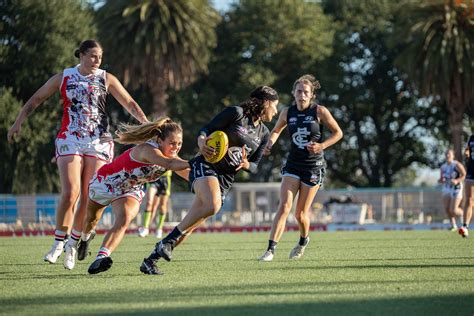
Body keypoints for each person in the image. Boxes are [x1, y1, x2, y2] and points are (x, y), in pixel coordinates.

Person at [7, 39, 148, 269]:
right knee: (70, 192)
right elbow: (36, 99)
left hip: (98, 141)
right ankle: (58, 243)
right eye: (92, 56)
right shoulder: (64, 76)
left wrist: (147, 125)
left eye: (100, 57)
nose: (97, 61)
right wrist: (18, 122)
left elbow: (129, 103)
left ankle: (73, 244)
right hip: (70, 137)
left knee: (87, 193)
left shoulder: (106, 78)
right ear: (81, 55)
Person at [140, 85, 279, 275]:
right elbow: (206, 129)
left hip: (225, 179)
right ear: (266, 103)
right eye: (275, 106)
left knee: (188, 227)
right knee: (213, 205)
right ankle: (165, 243)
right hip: (205, 165)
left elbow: (255, 166)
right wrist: (201, 142)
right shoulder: (236, 113)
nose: (276, 111)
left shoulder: (264, 134)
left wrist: (246, 164)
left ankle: (151, 260)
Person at [76, 118, 190, 274]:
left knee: (124, 218)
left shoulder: (173, 158)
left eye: (179, 143)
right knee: (90, 220)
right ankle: (85, 238)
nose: (176, 147)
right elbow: (169, 165)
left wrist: (213, 175)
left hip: (130, 189)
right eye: (172, 143)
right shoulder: (148, 150)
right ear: (159, 140)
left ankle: (101, 257)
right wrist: (200, 159)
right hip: (105, 182)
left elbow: (190, 175)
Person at [258, 74, 343, 262]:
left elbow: (338, 133)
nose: (302, 95)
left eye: (306, 92)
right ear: (293, 93)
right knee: (284, 206)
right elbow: (277, 130)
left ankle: (303, 241)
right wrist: (269, 143)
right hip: (293, 164)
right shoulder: (287, 112)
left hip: (313, 166)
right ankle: (270, 250)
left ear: (311, 95)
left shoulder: (319, 111)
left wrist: (322, 146)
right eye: (299, 91)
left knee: (300, 214)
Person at [137, 170, 172, 238]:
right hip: (153, 178)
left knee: (162, 205)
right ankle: (145, 228)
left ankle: (159, 229)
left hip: (165, 179)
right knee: (149, 202)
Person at [438, 148, 466, 231]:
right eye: (446, 154)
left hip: (456, 188)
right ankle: (453, 225)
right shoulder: (443, 167)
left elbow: (464, 174)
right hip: (447, 188)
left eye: (449, 154)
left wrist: (457, 180)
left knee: (453, 210)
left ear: (453, 155)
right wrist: (441, 180)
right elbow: (441, 179)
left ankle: (465, 214)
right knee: (447, 208)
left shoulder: (457, 165)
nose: (447, 155)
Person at [459, 135, 474, 238]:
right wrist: (467, 152)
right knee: (469, 200)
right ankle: (465, 227)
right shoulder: (472, 137)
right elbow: (468, 149)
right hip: (471, 170)